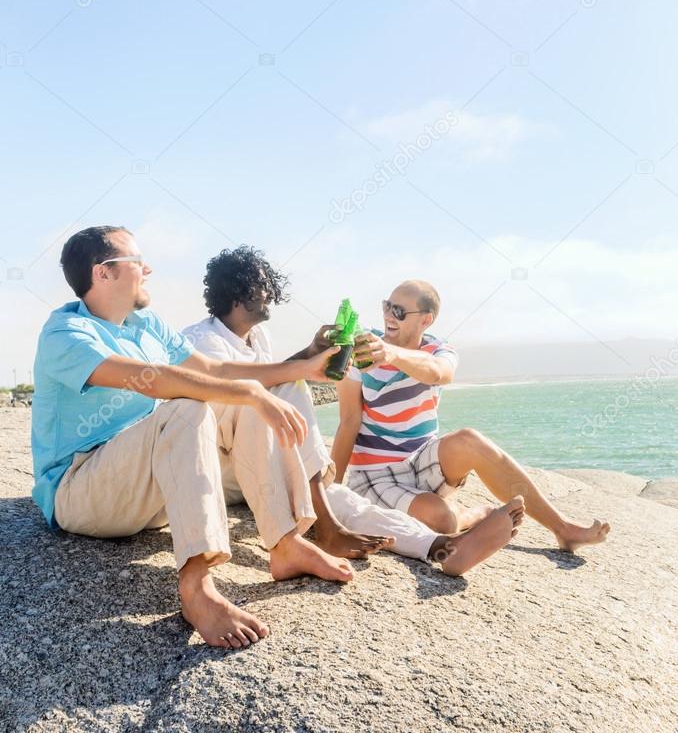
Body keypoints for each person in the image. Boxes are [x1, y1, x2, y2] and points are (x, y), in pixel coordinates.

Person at [31, 226, 362, 652]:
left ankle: (285, 543)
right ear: (104, 273)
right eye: (137, 262)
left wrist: (302, 369)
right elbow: (150, 381)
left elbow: (217, 371)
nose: (148, 269)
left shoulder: (146, 323)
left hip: (146, 489)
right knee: (188, 408)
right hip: (80, 491)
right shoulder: (65, 333)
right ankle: (197, 586)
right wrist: (247, 392)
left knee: (250, 396)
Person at [183, 246, 525, 575]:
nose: (270, 291)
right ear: (238, 292)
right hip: (220, 466)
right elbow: (231, 384)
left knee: (344, 502)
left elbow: (266, 377)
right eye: (261, 284)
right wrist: (305, 367)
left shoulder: (259, 338)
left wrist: (309, 351)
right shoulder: (202, 339)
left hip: (259, 463)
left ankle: (439, 545)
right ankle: (327, 529)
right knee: (291, 388)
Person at [332, 280, 611, 553]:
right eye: (387, 306)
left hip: (422, 461)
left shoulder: (438, 349)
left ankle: (563, 529)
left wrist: (392, 354)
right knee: (440, 520)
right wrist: (329, 493)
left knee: (469, 440)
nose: (388, 316)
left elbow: (440, 373)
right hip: (375, 475)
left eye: (399, 311)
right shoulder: (362, 350)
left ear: (425, 321)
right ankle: (475, 514)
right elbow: (349, 421)